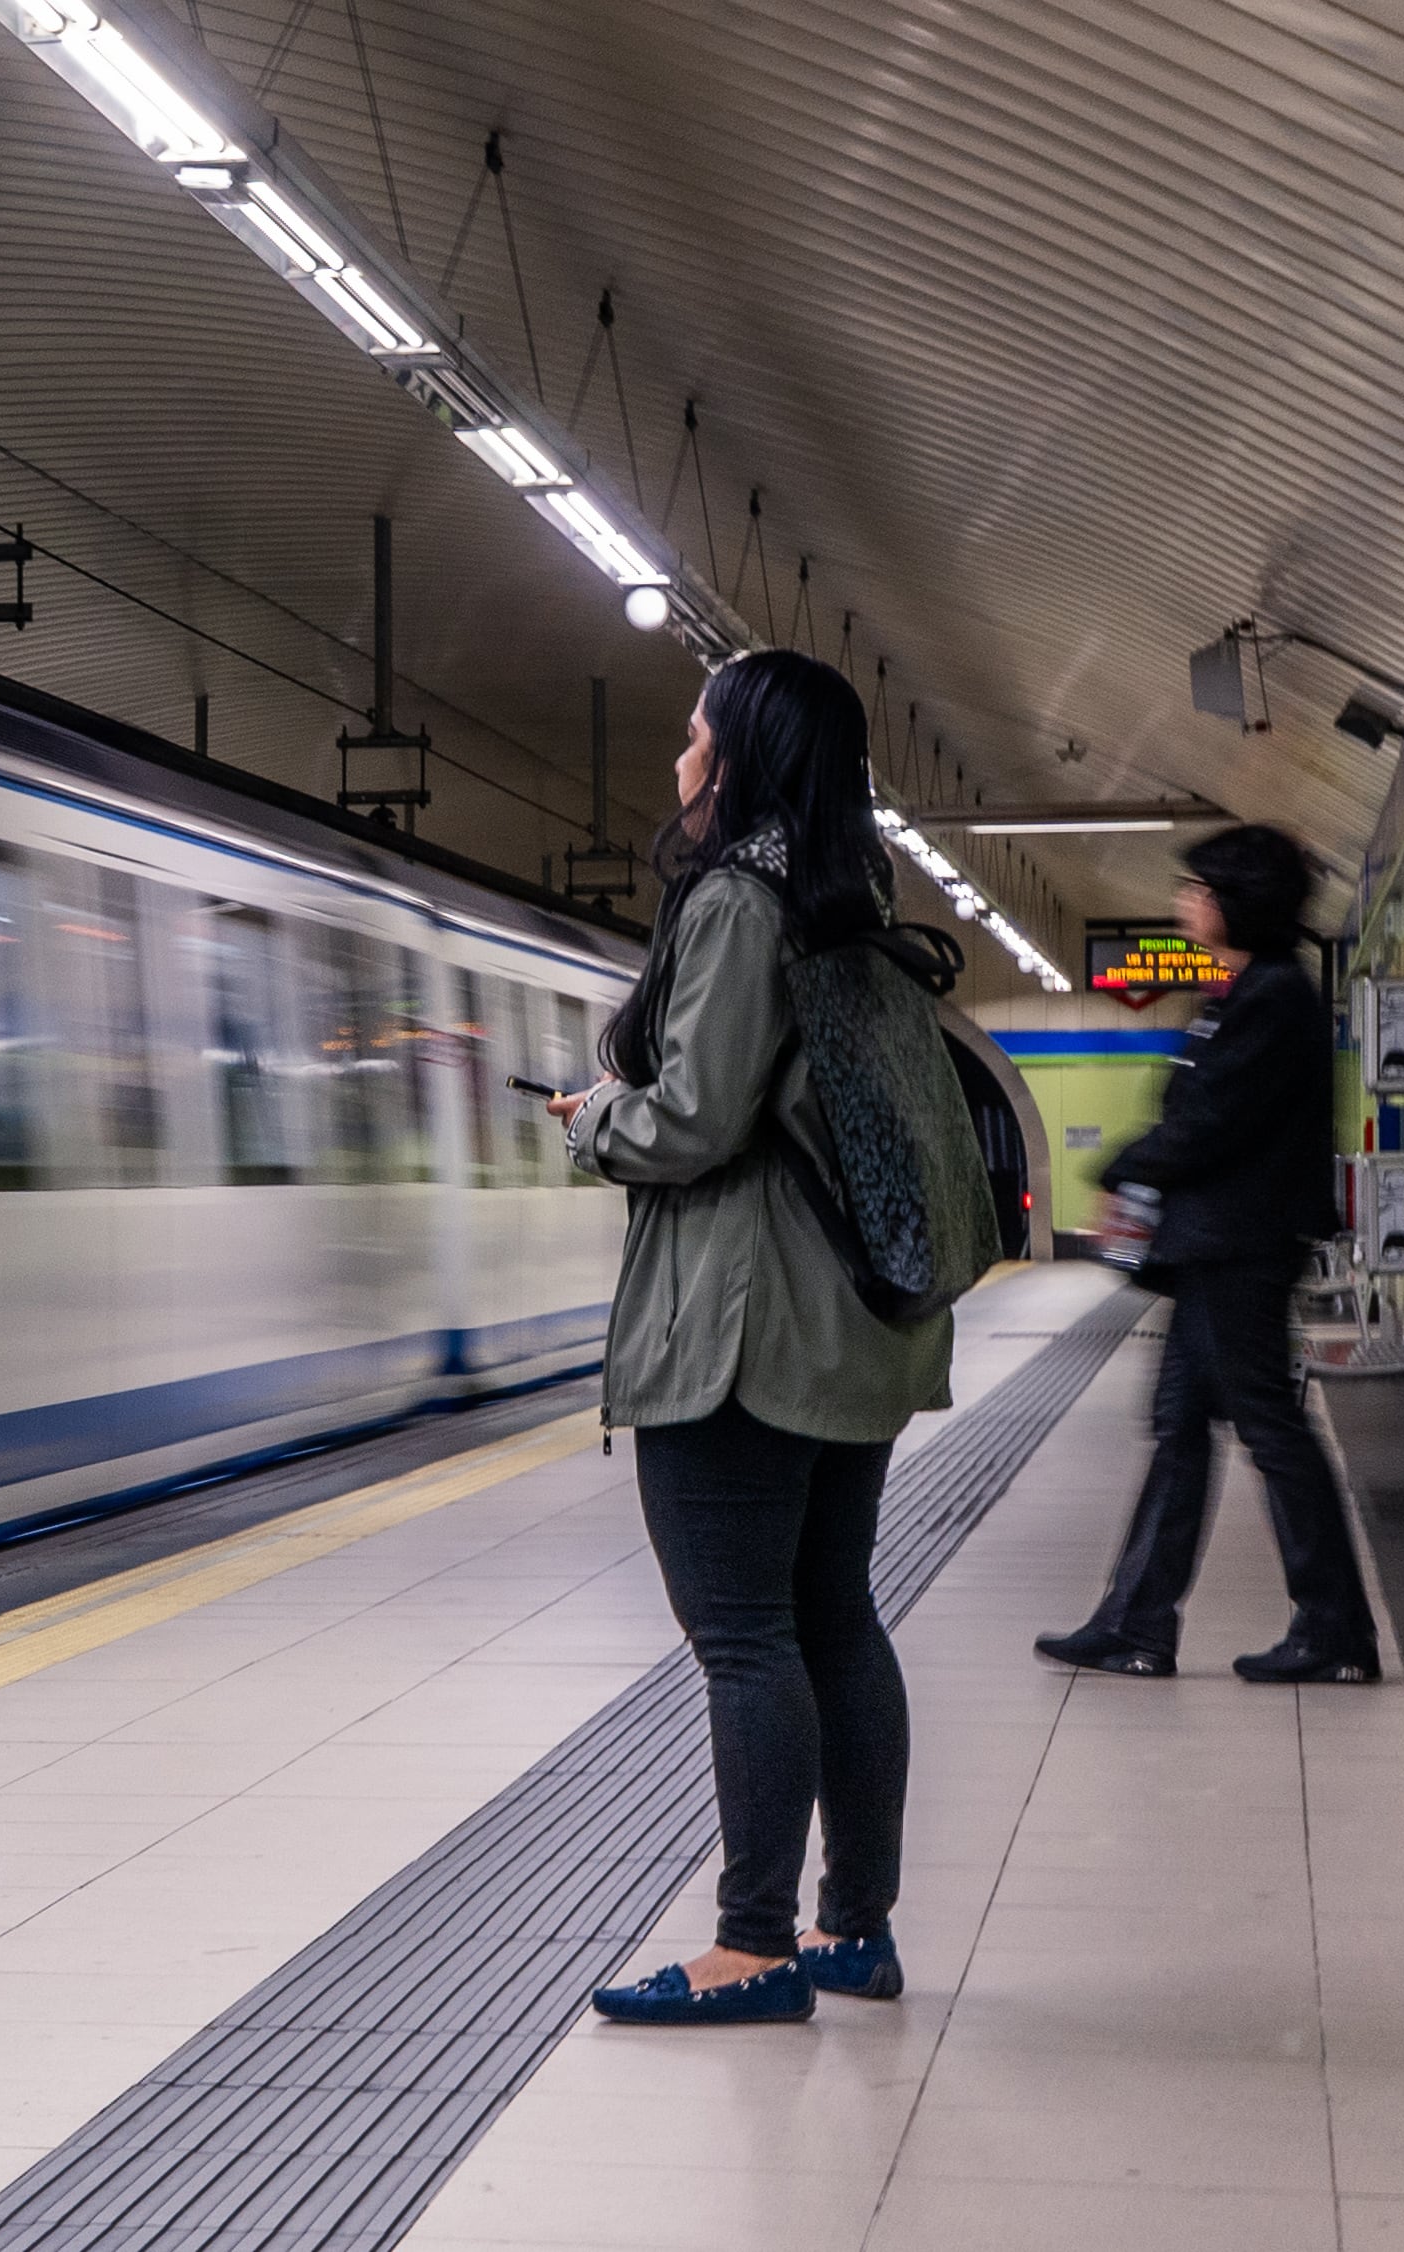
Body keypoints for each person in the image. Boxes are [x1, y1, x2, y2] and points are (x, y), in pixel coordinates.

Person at [549, 649, 955, 2027]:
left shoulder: (736, 901)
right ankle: (854, 1930)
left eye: (692, 734)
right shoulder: (856, 911)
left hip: (740, 1333)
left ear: (739, 755)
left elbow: (695, 1122)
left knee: (742, 1637)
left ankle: (750, 1945)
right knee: (835, 1618)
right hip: (847, 1331)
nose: (678, 759)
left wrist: (591, 1117)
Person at [1035, 826, 1376, 1684]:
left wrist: (1119, 1166)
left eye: (1197, 889)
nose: (1185, 903)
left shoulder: (1271, 999)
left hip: (1239, 1250)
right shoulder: (1246, 995)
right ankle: (1135, 1622)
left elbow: (1209, 1122)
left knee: (1269, 1428)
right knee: (1181, 1428)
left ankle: (1333, 1628)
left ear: (1234, 902)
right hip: (1217, 1250)